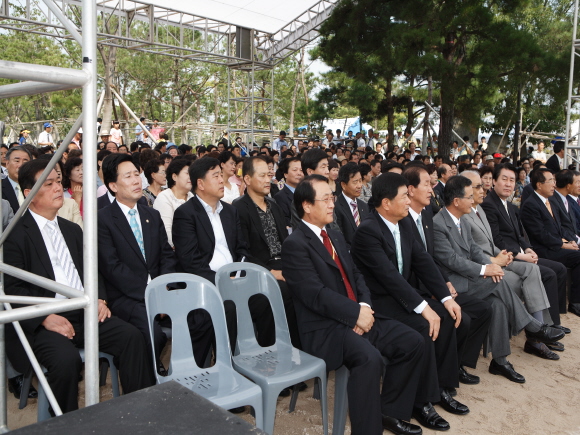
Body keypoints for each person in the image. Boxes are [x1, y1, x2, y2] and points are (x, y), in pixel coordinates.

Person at [6, 158, 153, 414]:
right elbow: (12, 288)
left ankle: (140, 412)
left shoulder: (72, 229)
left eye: (58, 182)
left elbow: (93, 272)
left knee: (132, 337)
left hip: (83, 311)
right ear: (29, 193)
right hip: (43, 320)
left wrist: (100, 300)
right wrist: (44, 318)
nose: (57, 188)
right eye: (49, 183)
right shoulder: (14, 235)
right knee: (66, 361)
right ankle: (66, 424)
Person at [282, 174, 426, 435]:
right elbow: (315, 294)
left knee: (412, 341)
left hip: (357, 314)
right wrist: (354, 315)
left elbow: (357, 275)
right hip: (325, 328)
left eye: (332, 197)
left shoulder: (335, 235)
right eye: (325, 199)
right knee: (368, 359)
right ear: (306, 205)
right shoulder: (295, 245)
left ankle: (390, 413)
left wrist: (365, 307)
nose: (331, 204)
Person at [351, 173, 469, 428]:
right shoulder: (368, 231)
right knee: (423, 326)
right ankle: (419, 402)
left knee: (448, 316)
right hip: (380, 303)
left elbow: (423, 261)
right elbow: (389, 277)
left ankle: (441, 389)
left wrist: (446, 297)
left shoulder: (404, 223)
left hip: (402, 297)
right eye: (404, 196)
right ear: (385, 203)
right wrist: (424, 307)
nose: (408, 200)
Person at [433, 176, 564, 383]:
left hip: (471, 278)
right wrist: (486, 269)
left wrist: (491, 266)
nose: (473, 199)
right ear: (456, 201)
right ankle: (531, 325)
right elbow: (451, 260)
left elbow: (475, 250)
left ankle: (500, 361)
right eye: (469, 196)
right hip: (455, 283)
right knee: (496, 280)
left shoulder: (462, 220)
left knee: (498, 303)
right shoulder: (438, 223)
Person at [402, 165, 492, 384]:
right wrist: (439, 289)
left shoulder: (424, 216)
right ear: (411, 190)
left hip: (436, 284)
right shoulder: (404, 221)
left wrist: (444, 281)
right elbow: (416, 265)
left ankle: (459, 364)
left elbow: (430, 258)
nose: (433, 190)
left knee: (484, 309)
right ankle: (444, 379)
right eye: (427, 184)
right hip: (417, 290)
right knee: (462, 318)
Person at [461, 170, 563, 360]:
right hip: (486, 267)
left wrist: (516, 253)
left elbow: (502, 240)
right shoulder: (466, 213)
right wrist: (498, 260)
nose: (484, 188)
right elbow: (470, 252)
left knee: (533, 270)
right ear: (463, 190)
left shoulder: (480, 209)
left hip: (499, 258)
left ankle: (539, 330)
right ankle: (536, 332)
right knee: (518, 282)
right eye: (478, 186)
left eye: (512, 180)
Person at [480, 164, 569, 328]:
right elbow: (496, 240)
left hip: (522, 254)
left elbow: (520, 235)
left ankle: (553, 322)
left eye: (512, 180)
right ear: (494, 181)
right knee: (548, 273)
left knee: (559, 269)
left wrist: (528, 249)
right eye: (504, 179)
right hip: (508, 258)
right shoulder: (489, 205)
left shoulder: (510, 206)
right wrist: (521, 256)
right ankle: (544, 327)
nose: (508, 184)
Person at [233, 156, 301, 349]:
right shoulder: (238, 209)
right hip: (259, 272)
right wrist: (272, 273)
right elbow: (242, 252)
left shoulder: (274, 206)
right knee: (284, 293)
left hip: (284, 266)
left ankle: (300, 355)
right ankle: (276, 357)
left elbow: (287, 243)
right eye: (262, 175)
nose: (267, 180)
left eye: (269, 175)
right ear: (247, 179)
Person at [520, 168, 580, 317]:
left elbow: (558, 228)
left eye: (554, 180)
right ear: (539, 185)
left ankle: (568, 305)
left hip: (555, 245)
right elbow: (541, 234)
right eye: (551, 181)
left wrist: (568, 241)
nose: (554, 184)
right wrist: (563, 245)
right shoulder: (531, 204)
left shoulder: (549, 201)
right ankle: (575, 302)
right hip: (543, 249)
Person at [153, 158, 193, 247]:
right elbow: (167, 234)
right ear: (174, 176)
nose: (191, 176)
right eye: (187, 173)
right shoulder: (164, 197)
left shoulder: (192, 197)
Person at [334, 163, 369, 247]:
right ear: (343, 185)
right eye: (355, 182)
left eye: (360, 181)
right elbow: (339, 238)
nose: (359, 186)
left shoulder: (363, 205)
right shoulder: (336, 207)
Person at [273, 157, 303, 227]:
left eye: (301, 170)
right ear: (285, 174)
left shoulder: (307, 193)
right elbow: (285, 222)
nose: (299, 173)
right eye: (295, 170)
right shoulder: (280, 197)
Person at [2, 146, 31, 214]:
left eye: (25, 161)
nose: (21, 165)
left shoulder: (36, 188)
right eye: (17, 161)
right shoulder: (1, 188)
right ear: (7, 164)